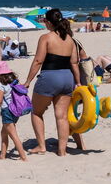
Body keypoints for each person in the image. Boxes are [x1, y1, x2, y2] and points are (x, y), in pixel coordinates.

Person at [22, 8, 82, 156]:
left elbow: (38, 61)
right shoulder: (70, 40)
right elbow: (74, 63)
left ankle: (41, 146)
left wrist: (28, 81)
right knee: (61, 116)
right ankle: (62, 151)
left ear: (48, 22)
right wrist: (78, 82)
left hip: (50, 77)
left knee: (36, 112)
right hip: (68, 78)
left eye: (45, 21)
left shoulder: (46, 38)